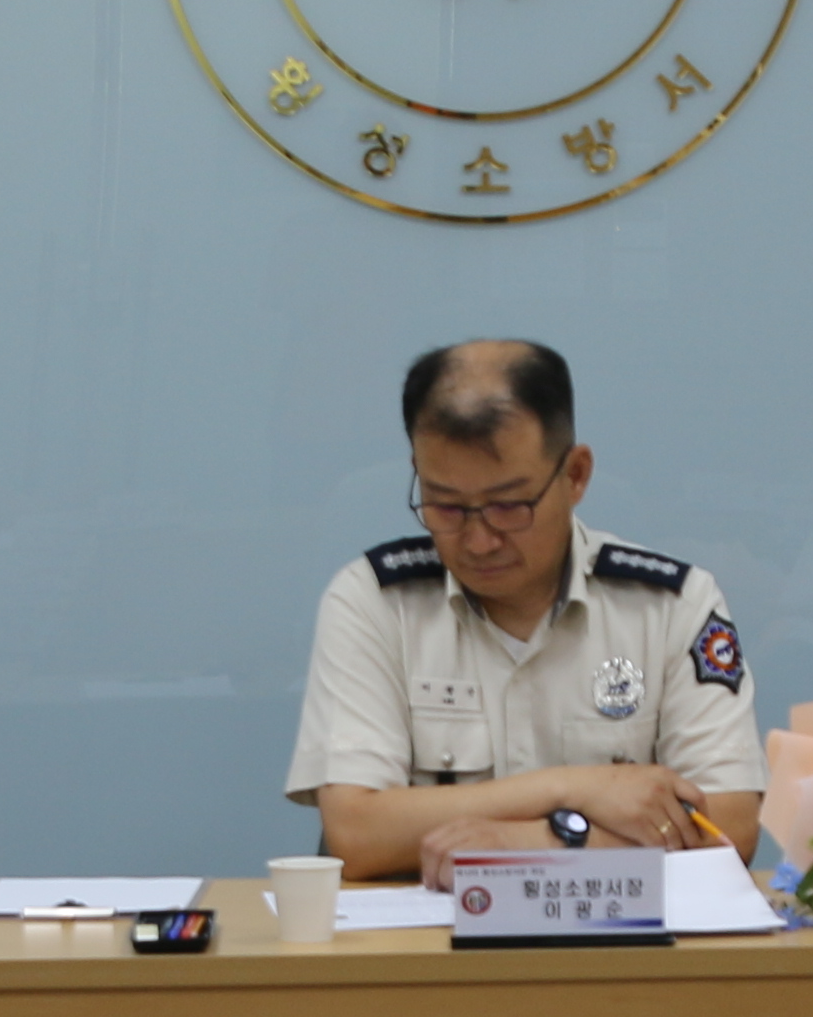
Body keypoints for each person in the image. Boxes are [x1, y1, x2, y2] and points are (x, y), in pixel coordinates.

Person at [286, 340, 766, 881]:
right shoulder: (373, 602)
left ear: (575, 475)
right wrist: (575, 788)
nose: (479, 540)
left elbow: (729, 826)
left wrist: (534, 842)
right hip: (427, 934)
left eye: (509, 506)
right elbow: (355, 834)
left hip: (618, 932)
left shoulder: (672, 606)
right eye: (446, 506)